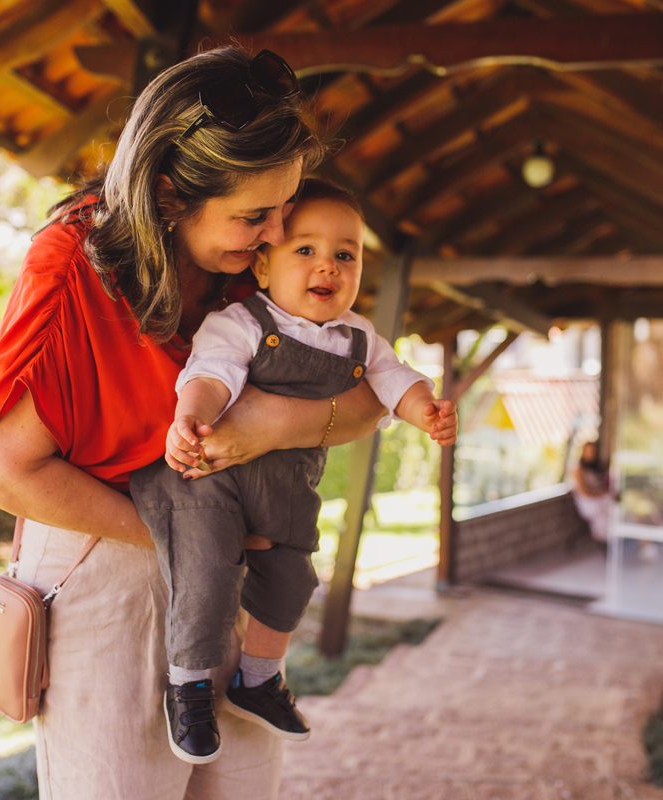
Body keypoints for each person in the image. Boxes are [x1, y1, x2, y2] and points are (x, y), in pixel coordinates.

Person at [0, 47, 388, 800]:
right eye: (254, 216)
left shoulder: (248, 266)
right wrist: (196, 534)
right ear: (167, 193)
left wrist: (271, 425)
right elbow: (3, 471)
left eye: (283, 211)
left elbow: (368, 392)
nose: (273, 237)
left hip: (231, 570)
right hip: (111, 566)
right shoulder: (71, 267)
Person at [130, 179, 459, 764]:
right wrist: (192, 417)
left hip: (286, 490)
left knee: (292, 582)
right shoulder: (242, 320)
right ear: (262, 267)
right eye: (304, 250)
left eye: (345, 254)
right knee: (207, 574)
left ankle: (260, 680)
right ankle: (189, 687)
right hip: (214, 479)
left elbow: (395, 381)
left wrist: (424, 409)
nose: (326, 266)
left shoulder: (359, 336)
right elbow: (211, 373)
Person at [571, 439, 611, 544]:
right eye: (589, 451)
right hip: (589, 501)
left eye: (593, 451)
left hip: (598, 498)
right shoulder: (578, 468)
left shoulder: (595, 468)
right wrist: (600, 494)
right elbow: (584, 491)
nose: (591, 454)